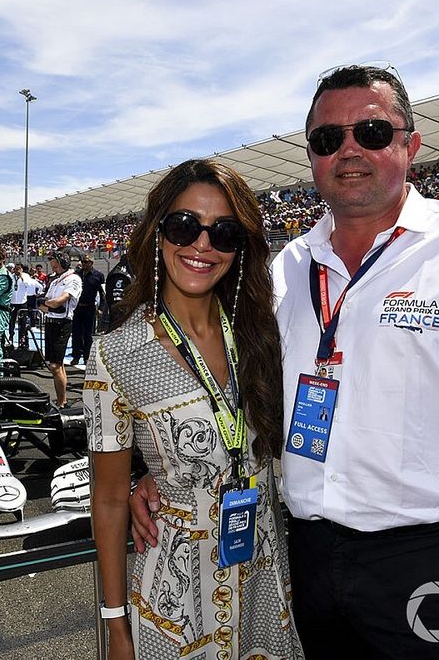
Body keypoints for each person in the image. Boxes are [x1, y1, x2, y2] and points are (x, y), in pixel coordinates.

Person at [131, 65, 439, 659]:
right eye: (329, 139)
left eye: (372, 132)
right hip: (304, 555)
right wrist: (170, 471)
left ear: (411, 144)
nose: (349, 149)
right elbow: (250, 404)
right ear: (313, 157)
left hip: (430, 558)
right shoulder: (287, 268)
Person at [86, 159, 301, 660]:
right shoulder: (115, 354)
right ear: (157, 233)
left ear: (240, 248)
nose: (202, 245)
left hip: (265, 587)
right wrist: (116, 628)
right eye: (185, 226)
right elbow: (111, 500)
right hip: (176, 604)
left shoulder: (263, 335)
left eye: (223, 233)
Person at [39, 252, 81, 407]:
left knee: (55, 366)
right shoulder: (55, 280)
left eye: (55, 262)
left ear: (63, 262)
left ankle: (62, 402)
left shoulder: (73, 279)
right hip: (50, 322)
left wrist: (48, 303)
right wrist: (48, 304)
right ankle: (60, 399)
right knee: (56, 365)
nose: (52, 265)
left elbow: (58, 302)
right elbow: (42, 305)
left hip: (62, 324)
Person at [70, 254, 104, 366]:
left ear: (91, 263)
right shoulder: (77, 275)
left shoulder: (98, 275)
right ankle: (75, 356)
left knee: (88, 334)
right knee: (76, 333)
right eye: (83, 262)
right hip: (77, 307)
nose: (84, 264)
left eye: (86, 262)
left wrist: (101, 308)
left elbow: (102, 293)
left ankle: (86, 357)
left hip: (89, 307)